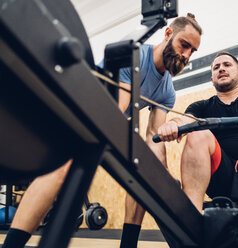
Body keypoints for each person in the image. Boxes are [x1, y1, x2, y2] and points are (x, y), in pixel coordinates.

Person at [2, 14, 202, 248]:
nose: (186, 55)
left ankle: (128, 244)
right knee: (62, 167)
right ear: (168, 34)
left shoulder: (167, 91)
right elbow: (117, 112)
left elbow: (153, 137)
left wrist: (162, 178)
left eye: (192, 51)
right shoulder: (133, 56)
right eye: (184, 45)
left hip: (99, 121)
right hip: (69, 108)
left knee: (147, 174)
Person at [157, 52, 238, 218]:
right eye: (216, 67)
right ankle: (191, 219)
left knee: (199, 131)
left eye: (227, 65)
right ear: (212, 79)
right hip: (221, 181)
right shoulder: (201, 106)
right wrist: (173, 124)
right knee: (197, 132)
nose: (221, 69)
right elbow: (185, 120)